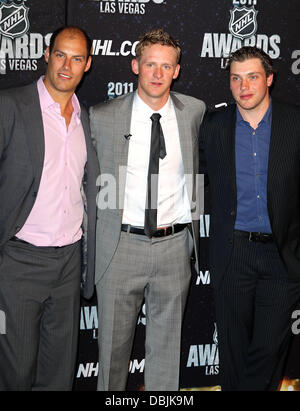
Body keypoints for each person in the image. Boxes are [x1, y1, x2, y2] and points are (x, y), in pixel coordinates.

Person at [90, 28, 206, 391]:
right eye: (150, 64)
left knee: (167, 354)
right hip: (120, 248)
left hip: (174, 250)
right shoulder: (102, 116)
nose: (157, 73)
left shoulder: (194, 112)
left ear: (177, 71)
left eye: (166, 66)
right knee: (111, 358)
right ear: (135, 65)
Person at [0, 26, 99, 391]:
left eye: (76, 58)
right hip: (19, 262)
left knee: (58, 376)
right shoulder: (10, 105)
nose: (66, 66)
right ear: (46, 54)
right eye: (60, 54)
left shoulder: (87, 118)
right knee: (15, 372)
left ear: (87, 64)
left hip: (68, 264)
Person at [199, 46, 300, 391]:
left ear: (269, 79)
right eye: (236, 78)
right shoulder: (213, 127)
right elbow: (192, 183)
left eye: (252, 77)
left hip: (282, 257)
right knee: (232, 354)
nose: (244, 86)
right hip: (234, 253)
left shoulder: (295, 123)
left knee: (269, 351)